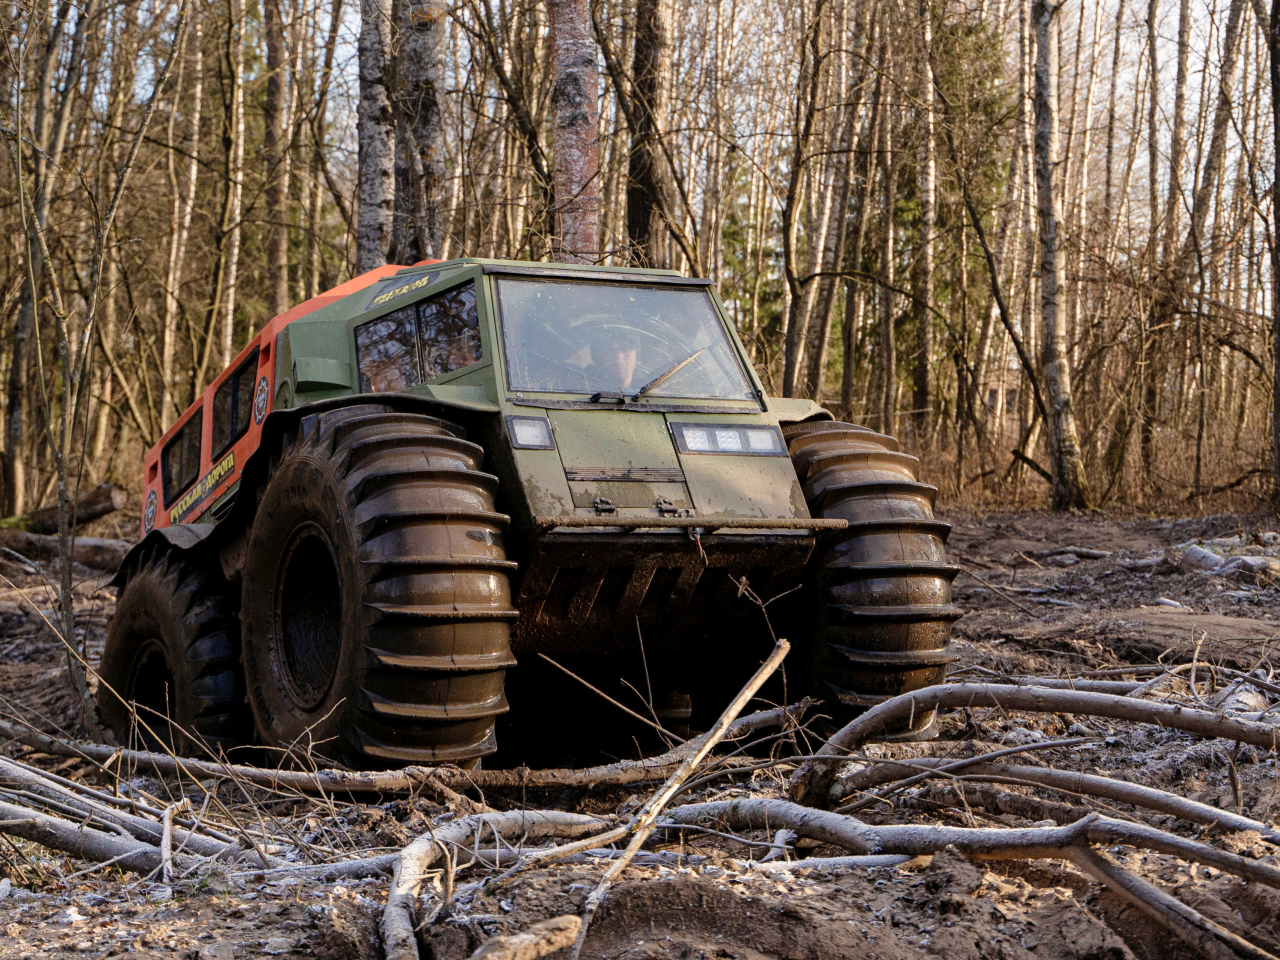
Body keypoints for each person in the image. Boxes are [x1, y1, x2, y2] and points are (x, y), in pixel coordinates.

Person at [584, 324, 642, 391]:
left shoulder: (654, 393)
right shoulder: (581, 392)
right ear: (596, 357)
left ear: (637, 356)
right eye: (610, 350)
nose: (619, 358)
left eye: (626, 349)